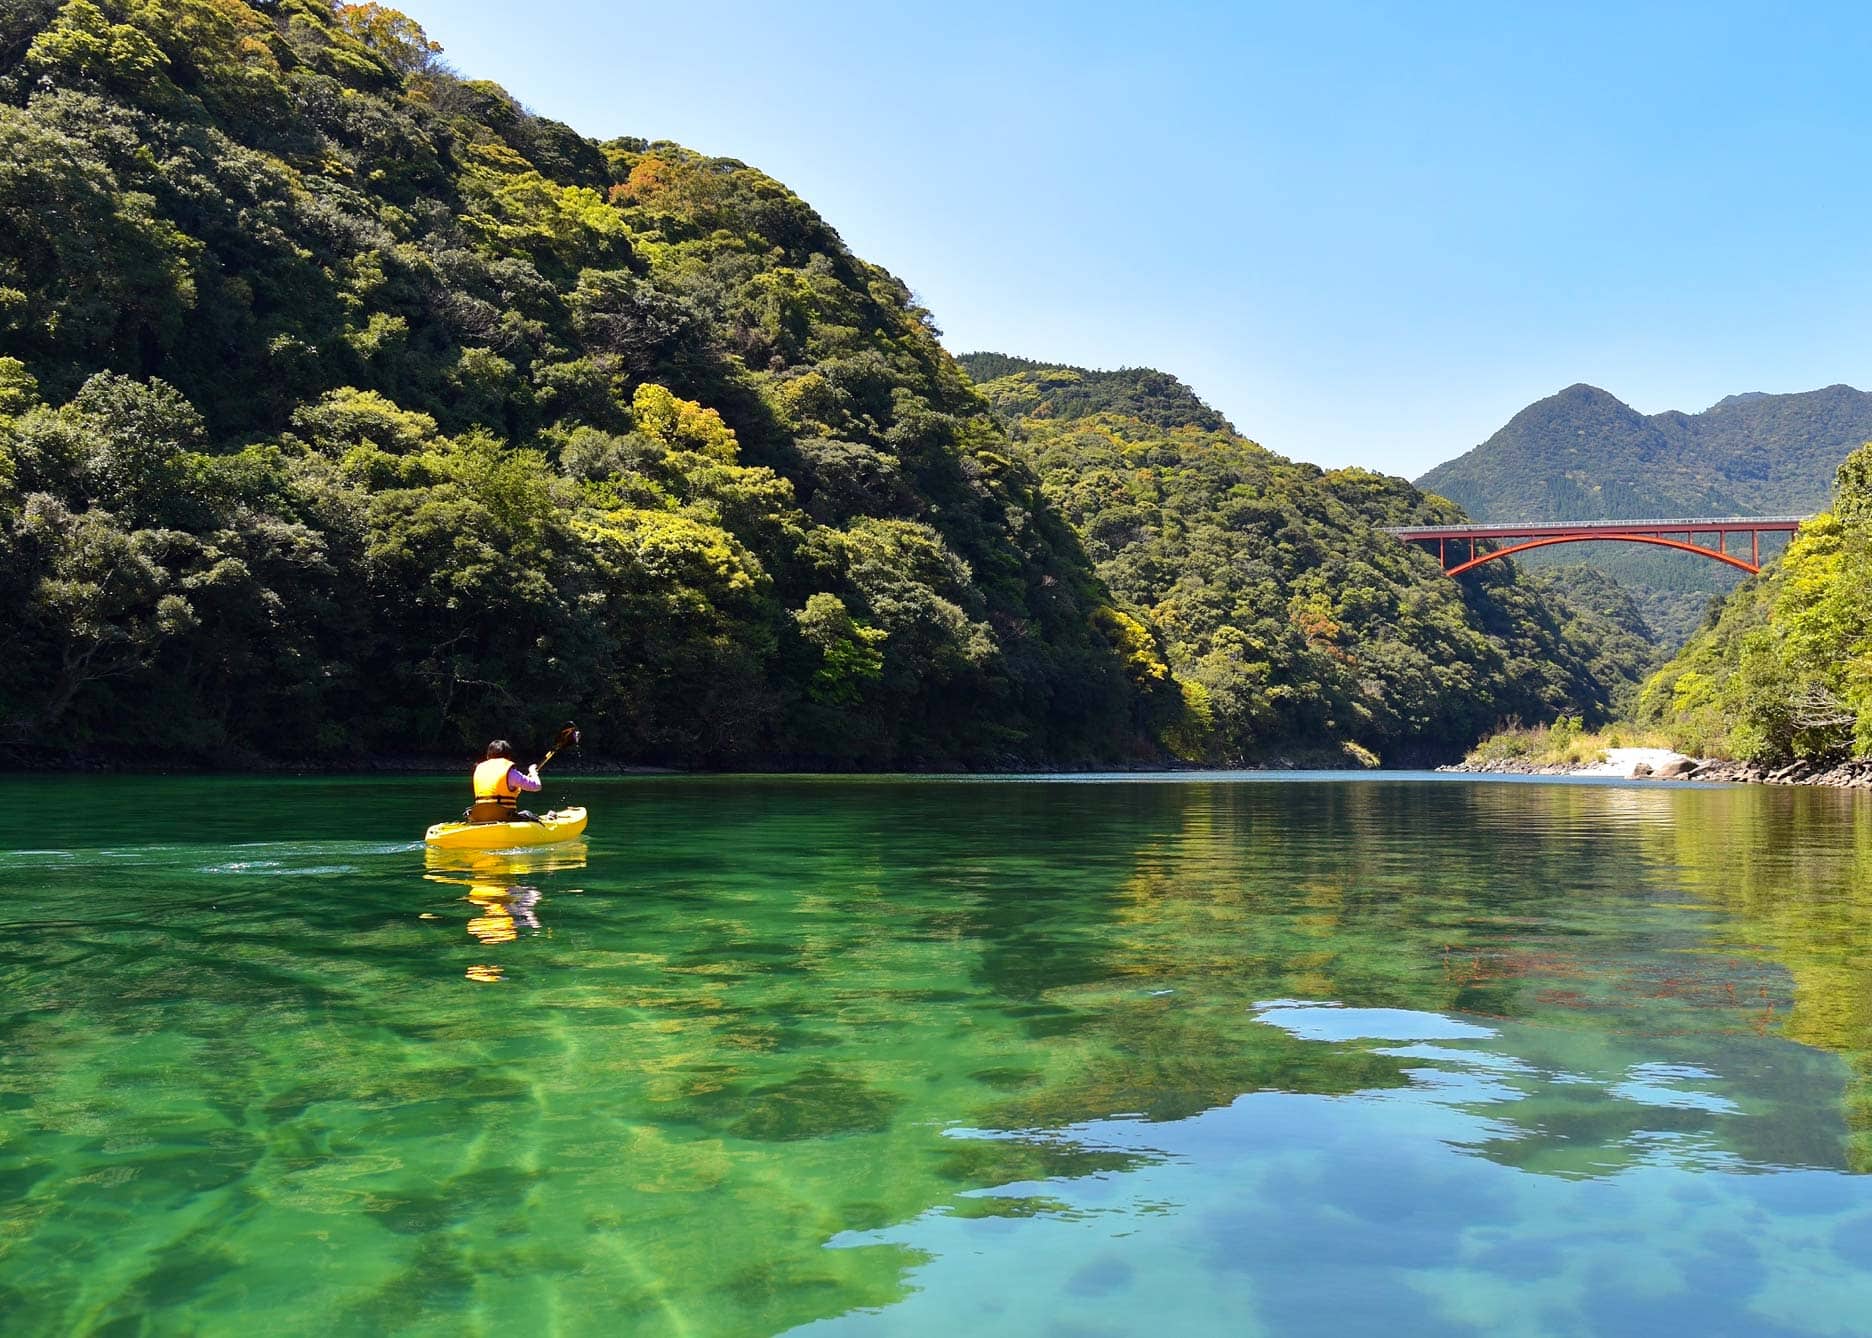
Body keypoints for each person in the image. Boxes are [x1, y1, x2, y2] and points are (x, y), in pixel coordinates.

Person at [467, 740, 542, 823]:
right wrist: (533, 772)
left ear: (488, 755)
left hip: (479, 816)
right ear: (508, 756)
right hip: (504, 817)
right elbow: (536, 786)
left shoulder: (479, 769)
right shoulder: (510, 772)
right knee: (528, 813)